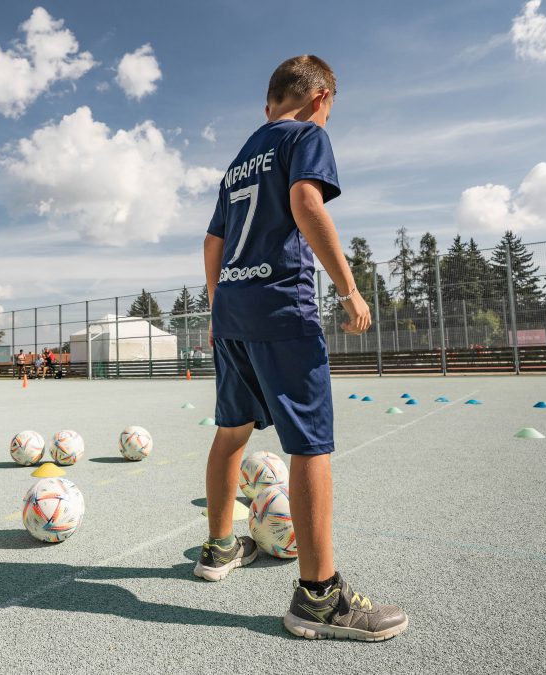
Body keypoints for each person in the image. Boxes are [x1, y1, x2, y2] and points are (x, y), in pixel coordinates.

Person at [196, 55, 407, 641]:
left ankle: (218, 547)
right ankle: (319, 595)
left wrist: (219, 303)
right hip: (281, 306)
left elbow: (212, 241)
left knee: (232, 429)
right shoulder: (307, 135)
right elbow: (306, 204)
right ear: (320, 99)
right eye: (331, 110)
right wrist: (349, 288)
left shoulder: (241, 157)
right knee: (310, 444)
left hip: (234, 310)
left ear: (269, 104)